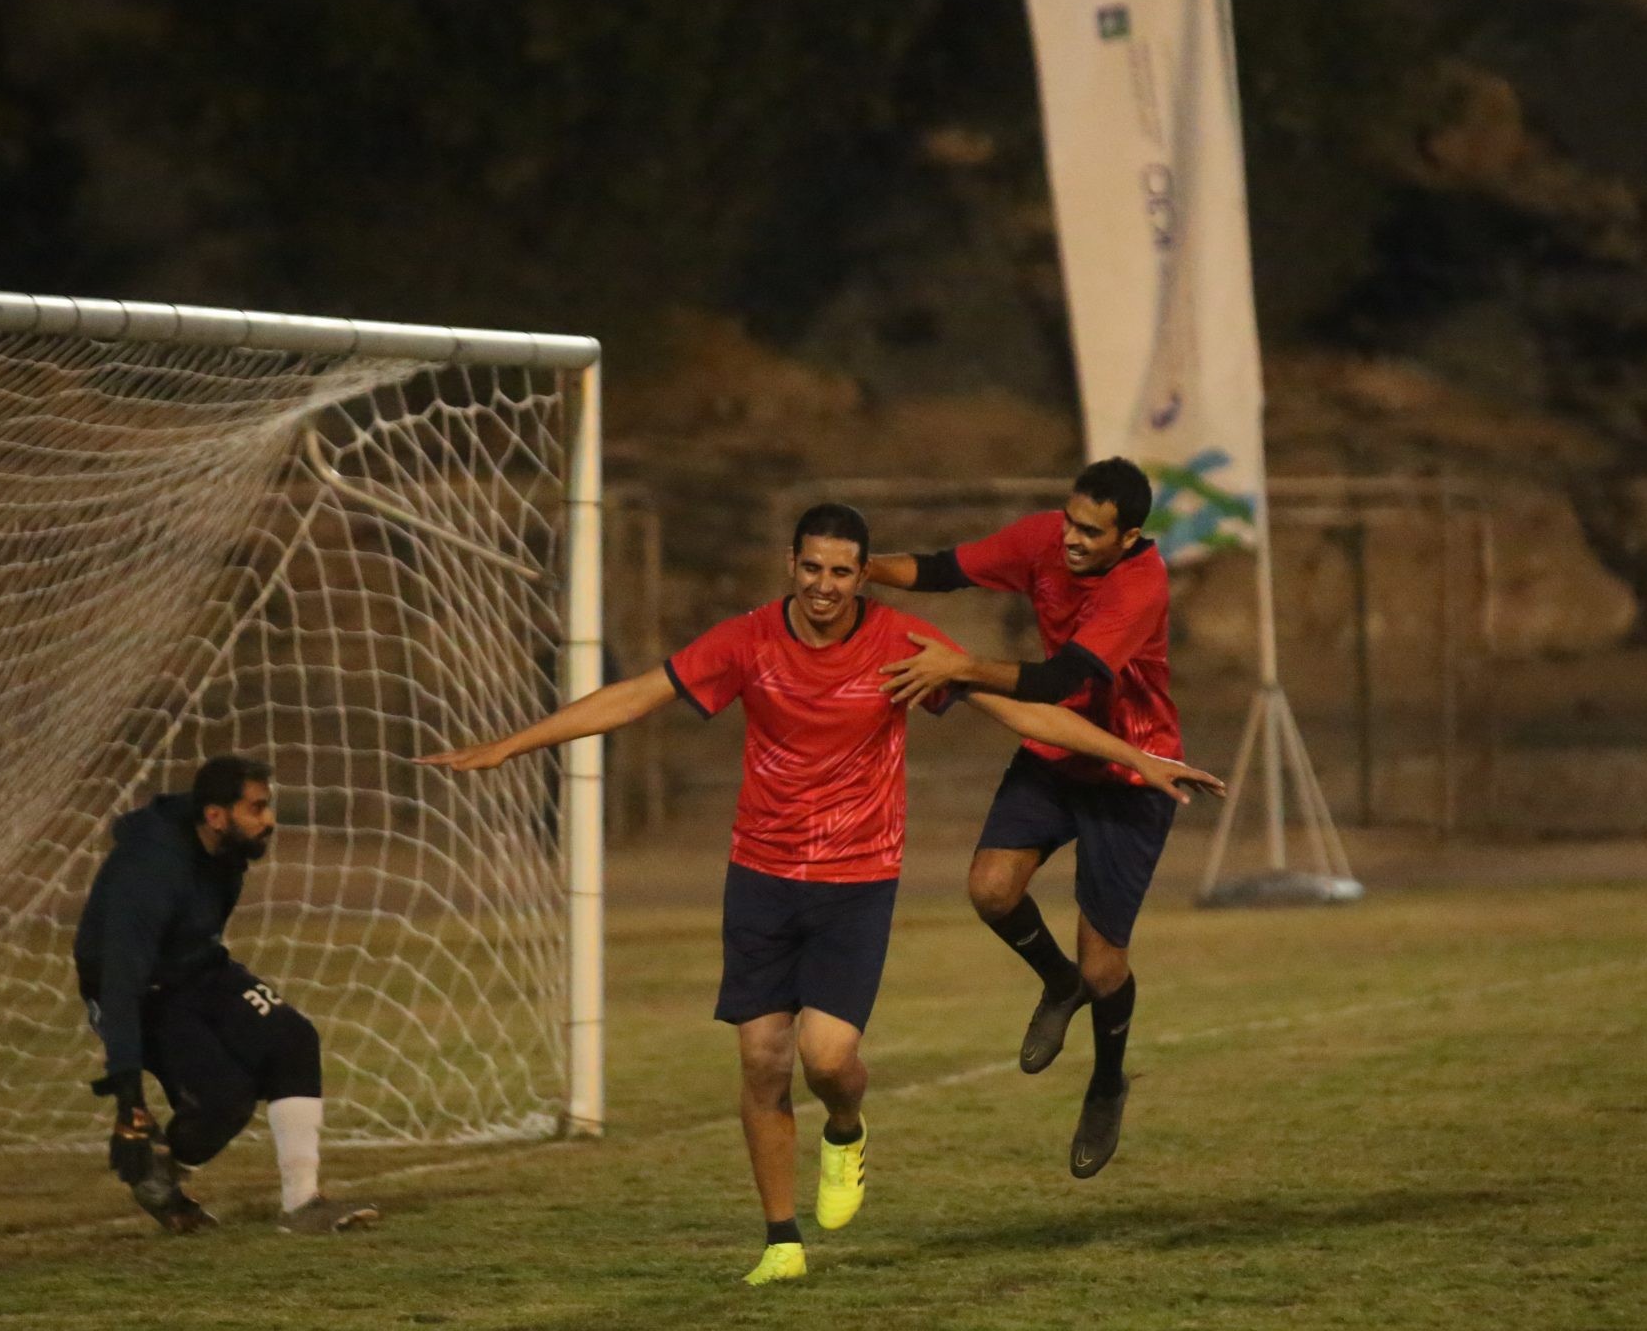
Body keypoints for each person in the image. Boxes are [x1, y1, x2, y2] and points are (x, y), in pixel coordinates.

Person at [421, 504, 1222, 1285]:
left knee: (828, 1060)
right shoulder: (748, 639)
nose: (827, 585)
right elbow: (639, 693)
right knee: (762, 1059)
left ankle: (846, 1127)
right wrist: (509, 748)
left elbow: (1024, 712)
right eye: (813, 567)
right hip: (761, 879)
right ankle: (780, 1238)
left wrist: (1138, 758)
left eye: (843, 571)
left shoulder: (903, 645)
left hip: (856, 883)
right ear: (791, 566)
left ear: (861, 575)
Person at [862, 458, 1180, 1177]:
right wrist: (864, 567)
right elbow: (946, 568)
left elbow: (1059, 678)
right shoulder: (1044, 538)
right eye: (1070, 519)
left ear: (1129, 537)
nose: (1070, 539)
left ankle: (1106, 1082)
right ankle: (1055, 981)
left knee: (1106, 967)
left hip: (1133, 768)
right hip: (1056, 750)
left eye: (1090, 531)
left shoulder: (1139, 585)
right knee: (991, 889)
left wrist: (961, 666)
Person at [74, 754, 380, 1234]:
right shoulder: (150, 870)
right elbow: (120, 980)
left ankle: (302, 1205)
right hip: (141, 992)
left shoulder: (224, 851)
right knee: (225, 1101)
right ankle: (160, 1176)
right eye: (256, 809)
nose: (269, 820)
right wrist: (127, 1095)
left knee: (293, 1039)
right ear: (216, 816)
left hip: (198, 969)